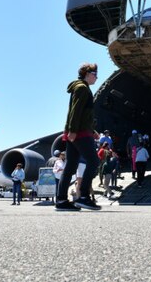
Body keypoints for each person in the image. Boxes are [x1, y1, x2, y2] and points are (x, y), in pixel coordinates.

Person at [55, 63, 101, 211]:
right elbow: (76, 111)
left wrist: (92, 130)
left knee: (70, 166)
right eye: (95, 74)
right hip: (79, 133)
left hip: (78, 131)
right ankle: (84, 197)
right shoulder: (82, 88)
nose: (96, 77)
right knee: (93, 161)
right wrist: (73, 130)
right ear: (87, 73)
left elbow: (83, 114)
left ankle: (61, 200)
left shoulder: (81, 87)